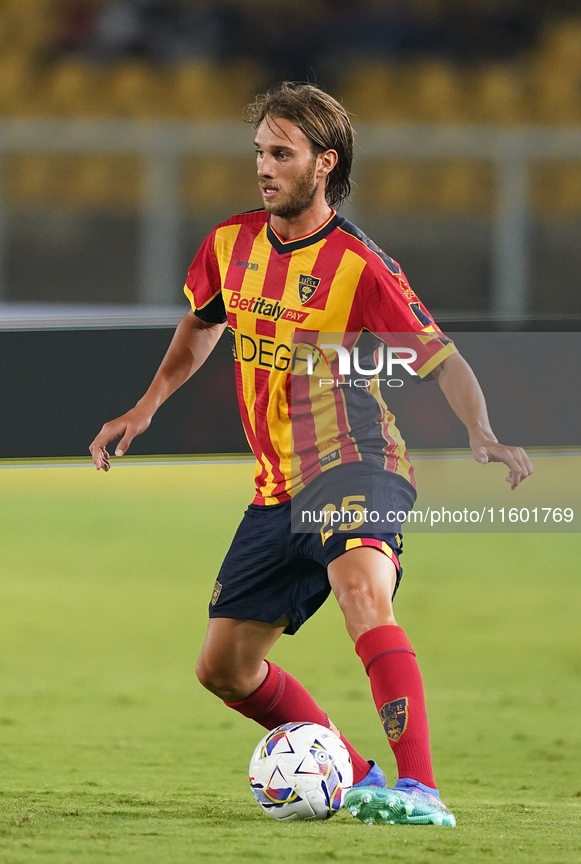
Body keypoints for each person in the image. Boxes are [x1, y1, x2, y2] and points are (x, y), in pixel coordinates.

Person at [90, 82, 533, 827]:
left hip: (356, 460)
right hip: (275, 487)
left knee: (364, 593)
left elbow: (442, 359)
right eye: (259, 152)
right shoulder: (229, 243)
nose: (263, 167)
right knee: (224, 668)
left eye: (281, 154)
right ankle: (356, 773)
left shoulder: (359, 264)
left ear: (323, 163)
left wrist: (479, 431)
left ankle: (419, 789)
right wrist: (146, 405)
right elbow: (201, 325)